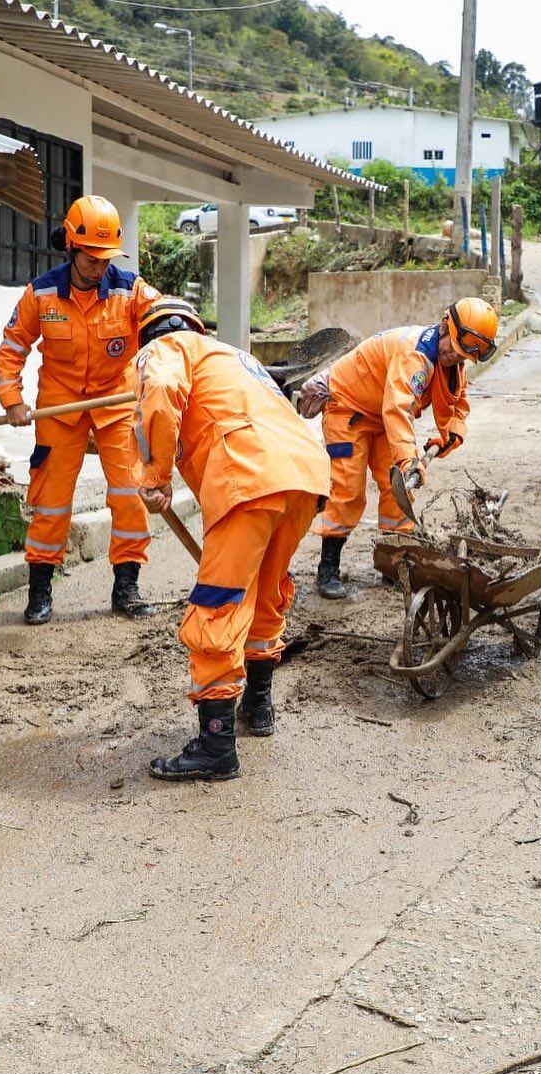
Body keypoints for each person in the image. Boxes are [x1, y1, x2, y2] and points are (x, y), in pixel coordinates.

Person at [132, 297, 331, 781]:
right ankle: (258, 707)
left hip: (249, 477)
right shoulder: (234, 359)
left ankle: (217, 744)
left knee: (217, 605)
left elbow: (158, 389)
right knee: (266, 589)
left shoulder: (167, 348)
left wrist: (156, 475)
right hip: (303, 474)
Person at [0, 195, 161, 625]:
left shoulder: (131, 291)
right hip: (60, 408)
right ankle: (40, 591)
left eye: (106, 258)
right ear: (69, 247)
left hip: (117, 405)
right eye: (91, 257)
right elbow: (12, 348)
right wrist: (12, 400)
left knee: (129, 495)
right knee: (50, 504)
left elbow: (165, 324)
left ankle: (127, 586)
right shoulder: (42, 294)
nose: (99, 266)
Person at [297, 297, 497, 599]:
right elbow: (399, 408)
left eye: (462, 357)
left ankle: (394, 566)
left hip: (381, 416)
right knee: (348, 489)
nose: (454, 358)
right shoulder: (414, 355)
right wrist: (408, 458)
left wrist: (452, 434)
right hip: (348, 408)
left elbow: (458, 405)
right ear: (445, 327)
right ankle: (328, 569)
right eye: (452, 350)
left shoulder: (454, 364)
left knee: (397, 489)